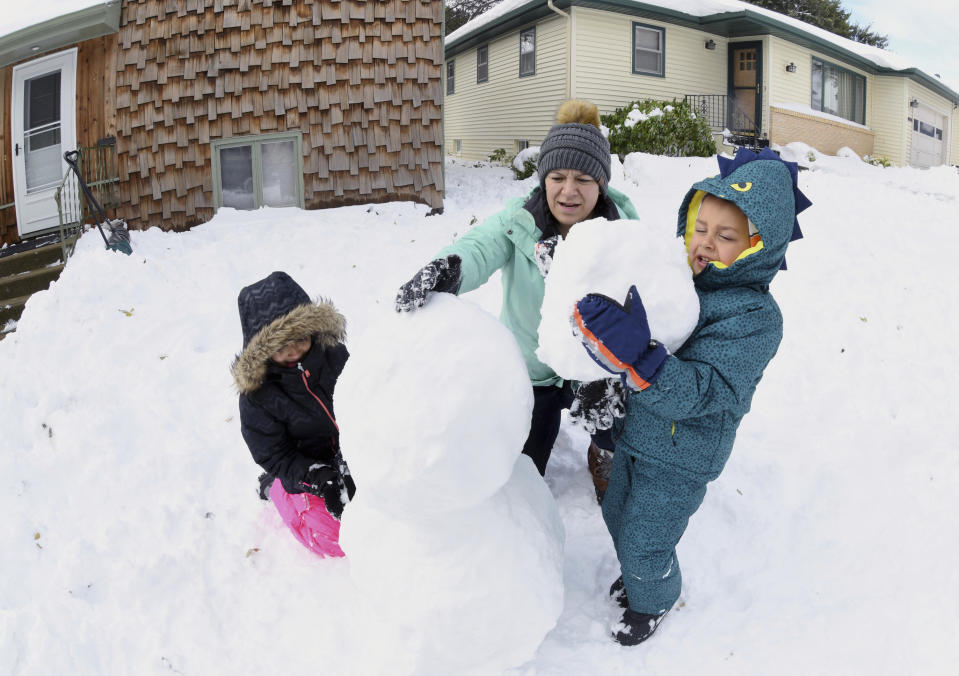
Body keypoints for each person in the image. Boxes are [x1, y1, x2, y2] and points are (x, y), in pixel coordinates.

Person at [569, 147, 811, 645]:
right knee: (617, 514)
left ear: (760, 246)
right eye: (700, 228)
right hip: (638, 434)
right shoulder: (678, 281)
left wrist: (643, 358)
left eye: (726, 237)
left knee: (646, 538)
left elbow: (702, 392)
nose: (705, 244)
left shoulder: (756, 320)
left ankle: (652, 599)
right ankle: (642, 571)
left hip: (683, 454)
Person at [394, 100, 639, 475]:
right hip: (534, 367)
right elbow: (480, 246)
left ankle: (602, 451)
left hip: (593, 367)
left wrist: (611, 372)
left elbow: (645, 304)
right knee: (527, 464)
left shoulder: (624, 232)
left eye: (583, 179)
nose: (568, 191)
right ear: (544, 180)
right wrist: (450, 267)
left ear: (601, 183)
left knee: (612, 422)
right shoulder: (521, 220)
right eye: (557, 177)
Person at [232, 271, 356, 555]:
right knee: (338, 539)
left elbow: (364, 395)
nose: (293, 349)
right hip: (307, 469)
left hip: (353, 452)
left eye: (299, 337)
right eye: (279, 345)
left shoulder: (334, 355)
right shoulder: (259, 396)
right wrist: (317, 477)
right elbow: (275, 454)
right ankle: (277, 491)